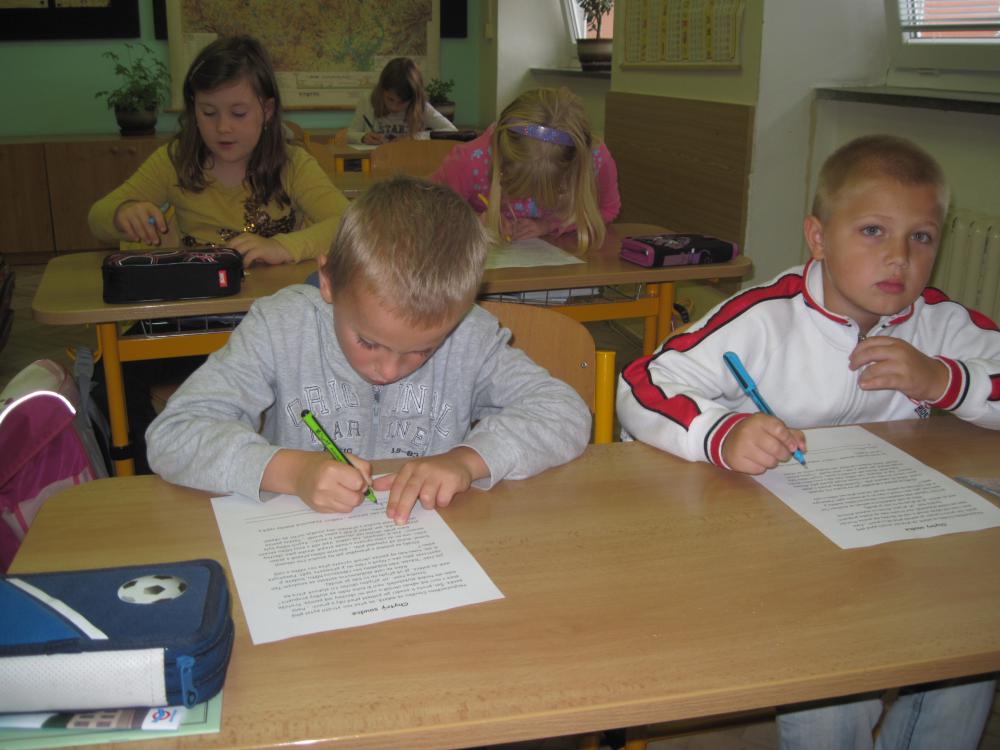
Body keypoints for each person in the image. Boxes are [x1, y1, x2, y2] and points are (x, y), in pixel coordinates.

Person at [617, 134, 1000, 748]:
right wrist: (722, 433)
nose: (898, 258)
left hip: (898, 538)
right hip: (777, 557)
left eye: (921, 237)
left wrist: (944, 380)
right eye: (873, 231)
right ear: (818, 238)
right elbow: (643, 382)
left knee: (971, 646)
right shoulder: (765, 316)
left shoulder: (940, 323)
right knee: (834, 687)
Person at [146, 176, 591, 524]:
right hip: (303, 546)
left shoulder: (468, 336)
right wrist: (291, 471)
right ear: (328, 280)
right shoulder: (280, 326)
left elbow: (565, 412)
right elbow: (174, 434)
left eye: (422, 350)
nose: (388, 370)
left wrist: (466, 461)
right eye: (369, 342)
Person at [89, 35, 349, 265]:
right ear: (194, 110)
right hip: (202, 300)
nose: (223, 127)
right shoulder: (175, 160)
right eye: (209, 112)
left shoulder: (293, 163)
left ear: (267, 111)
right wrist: (122, 213)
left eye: (239, 113)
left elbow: (349, 224)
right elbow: (97, 218)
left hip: (276, 298)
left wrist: (283, 247)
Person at [431, 87, 620, 253]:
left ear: (572, 166)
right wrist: (474, 222)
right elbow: (428, 209)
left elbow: (608, 209)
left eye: (552, 186)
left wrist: (549, 225)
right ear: (502, 158)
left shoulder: (594, 160)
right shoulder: (469, 162)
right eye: (516, 181)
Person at [347, 57, 456, 145]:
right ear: (382, 91)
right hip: (376, 161)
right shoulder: (367, 101)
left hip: (409, 161)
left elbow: (452, 131)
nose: (394, 107)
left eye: (402, 102)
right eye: (390, 99)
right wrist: (363, 137)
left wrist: (416, 137)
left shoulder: (421, 106)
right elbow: (349, 134)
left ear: (413, 99)